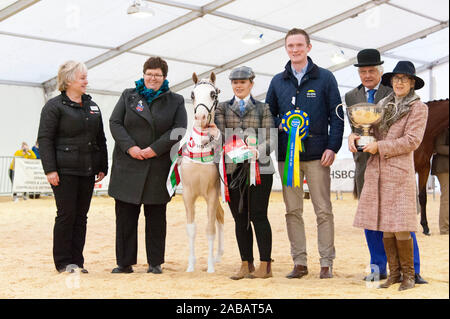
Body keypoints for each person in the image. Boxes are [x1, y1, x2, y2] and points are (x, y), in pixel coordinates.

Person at [266, 28, 344, 279]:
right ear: (286, 48)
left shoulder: (326, 78)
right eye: (290, 46)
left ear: (309, 47)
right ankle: (299, 261)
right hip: (287, 157)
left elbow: (337, 116)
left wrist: (333, 147)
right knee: (292, 210)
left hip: (318, 154)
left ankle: (326, 262)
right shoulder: (278, 80)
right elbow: (269, 113)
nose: (295, 50)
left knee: (323, 209)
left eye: (299, 45)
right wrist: (279, 122)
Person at [345, 49, 426, 284]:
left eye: (404, 79)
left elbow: (411, 140)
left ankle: (412, 272)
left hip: (396, 167)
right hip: (372, 167)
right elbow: (365, 128)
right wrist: (355, 137)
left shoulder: (410, 104)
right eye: (363, 71)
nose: (367, 75)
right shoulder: (367, 100)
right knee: (377, 221)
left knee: (401, 221)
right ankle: (386, 271)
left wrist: (378, 146)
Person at [109, 57, 187, 274]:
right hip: (128, 163)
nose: (153, 78)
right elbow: (115, 122)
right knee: (125, 216)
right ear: (143, 74)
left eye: (158, 75)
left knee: (156, 217)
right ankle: (124, 263)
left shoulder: (176, 100)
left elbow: (178, 129)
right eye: (149, 73)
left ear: (164, 77)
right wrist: (130, 147)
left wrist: (154, 149)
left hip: (157, 165)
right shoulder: (128, 96)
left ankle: (155, 262)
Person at [38, 60, 108, 274]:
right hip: (64, 171)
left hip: (87, 171)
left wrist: (102, 166)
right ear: (69, 80)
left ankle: (77, 261)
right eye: (82, 78)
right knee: (66, 214)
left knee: (81, 216)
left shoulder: (92, 106)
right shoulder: (54, 106)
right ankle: (63, 262)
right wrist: (50, 169)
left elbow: (100, 139)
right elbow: (45, 139)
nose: (86, 81)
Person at [214, 66, 275, 279]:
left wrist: (257, 150)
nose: (238, 85)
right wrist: (239, 149)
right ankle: (245, 263)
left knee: (258, 215)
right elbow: (222, 134)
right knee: (240, 218)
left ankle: (265, 265)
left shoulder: (264, 108)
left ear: (251, 83)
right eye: (235, 82)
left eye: (242, 82)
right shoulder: (221, 108)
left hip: (260, 169)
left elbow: (271, 138)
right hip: (233, 169)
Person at [431, 128, 449, 235]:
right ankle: (445, 229)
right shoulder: (443, 128)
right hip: (443, 167)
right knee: (446, 198)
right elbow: (439, 147)